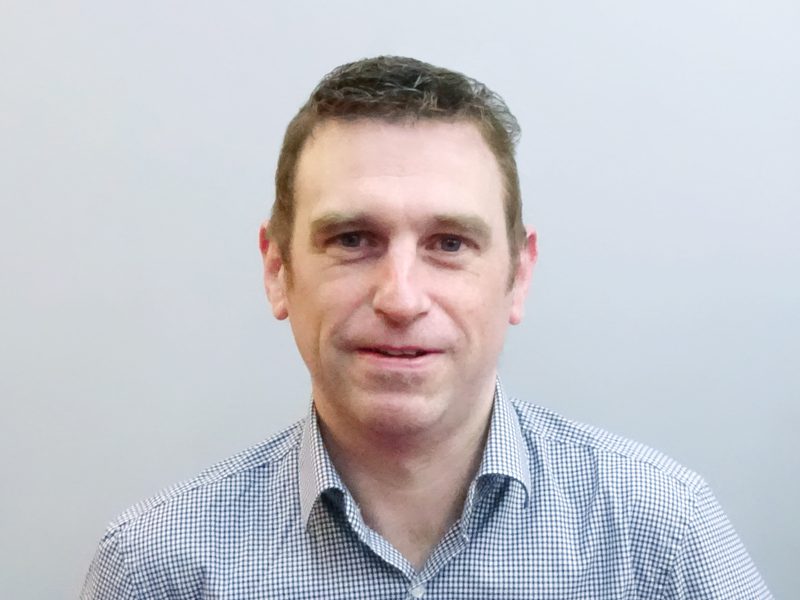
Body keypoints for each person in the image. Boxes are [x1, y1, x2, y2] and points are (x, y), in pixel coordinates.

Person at [81, 56, 771, 599]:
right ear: (277, 269)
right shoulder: (156, 570)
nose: (402, 298)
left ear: (518, 275)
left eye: (449, 243)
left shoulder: (662, 537)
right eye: (353, 239)